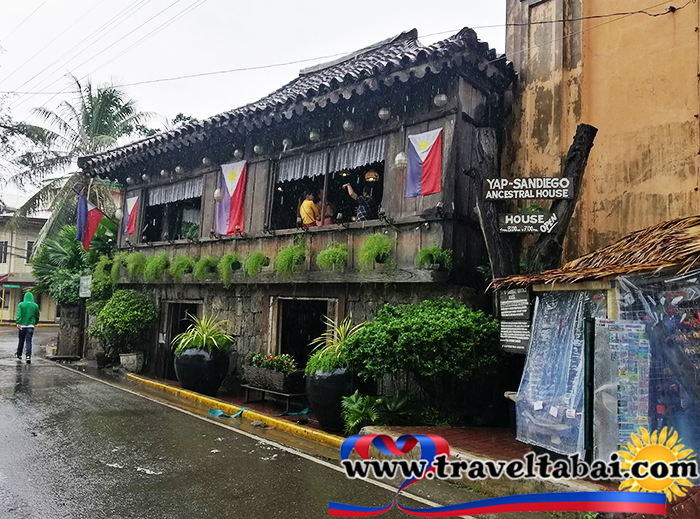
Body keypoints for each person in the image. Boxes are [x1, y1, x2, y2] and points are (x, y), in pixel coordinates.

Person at [16, 292, 40, 364]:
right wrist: (35, 322)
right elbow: (37, 315)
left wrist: (18, 322)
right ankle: (28, 356)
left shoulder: (21, 305)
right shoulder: (35, 306)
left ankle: (19, 354)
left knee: (21, 340)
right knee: (29, 341)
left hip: (22, 325)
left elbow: (18, 314)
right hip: (31, 326)